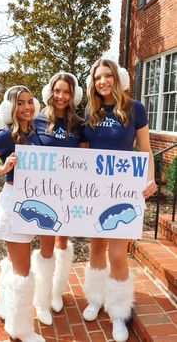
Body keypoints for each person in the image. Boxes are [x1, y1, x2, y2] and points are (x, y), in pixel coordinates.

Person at [82, 59, 157, 342]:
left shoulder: (135, 108)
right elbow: (83, 155)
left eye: (107, 76)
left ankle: (119, 312)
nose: (103, 81)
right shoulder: (90, 111)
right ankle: (95, 299)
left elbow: (146, 150)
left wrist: (149, 179)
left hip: (124, 193)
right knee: (96, 248)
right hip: (95, 192)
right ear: (93, 82)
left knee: (117, 254)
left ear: (117, 77)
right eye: (98, 77)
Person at [0, 85, 45, 342]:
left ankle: (6, 309)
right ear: (10, 108)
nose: (26, 107)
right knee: (22, 272)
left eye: (29, 102)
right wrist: (2, 169)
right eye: (20, 103)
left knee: (16, 267)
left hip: (30, 203)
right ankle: (21, 330)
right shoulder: (5, 135)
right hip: (13, 203)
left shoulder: (35, 132)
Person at [31, 72, 87, 325]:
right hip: (44, 193)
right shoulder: (37, 120)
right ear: (50, 92)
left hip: (68, 194)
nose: (61, 96)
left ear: (73, 95)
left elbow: (85, 160)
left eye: (66, 92)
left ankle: (56, 292)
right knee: (46, 246)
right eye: (57, 91)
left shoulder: (80, 125)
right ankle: (41, 300)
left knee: (62, 243)